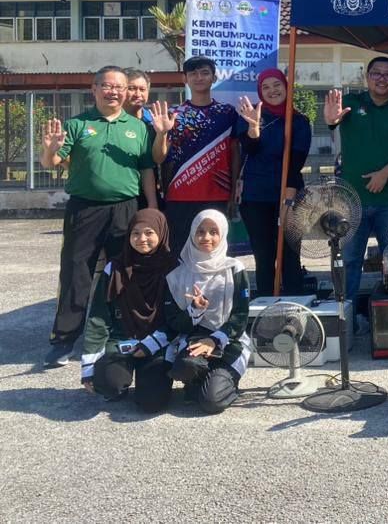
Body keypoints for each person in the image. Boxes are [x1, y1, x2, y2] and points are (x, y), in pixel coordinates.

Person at [39, 66, 157, 367]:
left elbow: (146, 170)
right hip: (84, 209)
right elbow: (53, 161)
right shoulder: (78, 124)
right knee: (76, 272)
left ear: (126, 92)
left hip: (126, 209)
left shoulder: (139, 128)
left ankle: (120, 331)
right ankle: (64, 339)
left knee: (124, 272)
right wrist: (49, 150)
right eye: (106, 85)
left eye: (119, 87)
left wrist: (152, 206)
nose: (113, 91)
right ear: (94, 89)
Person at [324, 56, 388, 302]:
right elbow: (332, 121)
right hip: (352, 200)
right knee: (349, 260)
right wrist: (330, 118)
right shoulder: (350, 103)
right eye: (376, 73)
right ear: (366, 77)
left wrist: (384, 174)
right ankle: (346, 316)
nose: (382, 78)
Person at [81, 209, 175, 412]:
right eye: (135, 233)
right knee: (108, 384)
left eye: (149, 232)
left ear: (161, 233)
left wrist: (151, 344)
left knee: (152, 402)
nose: (142, 239)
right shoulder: (115, 268)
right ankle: (120, 380)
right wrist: (88, 367)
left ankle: (147, 377)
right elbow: (99, 316)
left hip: (158, 343)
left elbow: (176, 319)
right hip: (121, 341)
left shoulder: (173, 268)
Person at [163, 209, 251, 414]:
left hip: (229, 340)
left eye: (214, 232)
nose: (206, 237)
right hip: (194, 339)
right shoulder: (178, 274)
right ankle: (199, 380)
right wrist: (195, 310)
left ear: (223, 234)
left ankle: (222, 382)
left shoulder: (234, 269)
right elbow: (173, 321)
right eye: (200, 231)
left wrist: (215, 340)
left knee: (212, 402)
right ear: (192, 233)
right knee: (184, 366)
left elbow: (240, 315)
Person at [152, 57, 241, 252]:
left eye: (204, 73)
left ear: (214, 77)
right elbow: (158, 158)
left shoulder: (227, 113)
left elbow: (234, 154)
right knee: (179, 253)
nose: (199, 77)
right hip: (179, 196)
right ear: (185, 79)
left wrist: (233, 190)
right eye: (193, 74)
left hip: (217, 195)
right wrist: (161, 133)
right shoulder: (174, 114)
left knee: (213, 253)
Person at [236, 68, 312, 297]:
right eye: (266, 87)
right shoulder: (251, 115)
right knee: (264, 254)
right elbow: (249, 149)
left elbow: (296, 162)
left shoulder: (299, 121)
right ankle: (266, 304)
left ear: (286, 87)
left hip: (289, 195)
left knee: (290, 253)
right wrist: (253, 128)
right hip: (256, 197)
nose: (272, 91)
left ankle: (295, 305)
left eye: (277, 85)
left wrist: (288, 200)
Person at [124, 68, 160, 209]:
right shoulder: (109, 122)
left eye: (142, 89)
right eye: (132, 88)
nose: (138, 94)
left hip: (150, 197)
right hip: (120, 197)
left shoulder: (155, 123)